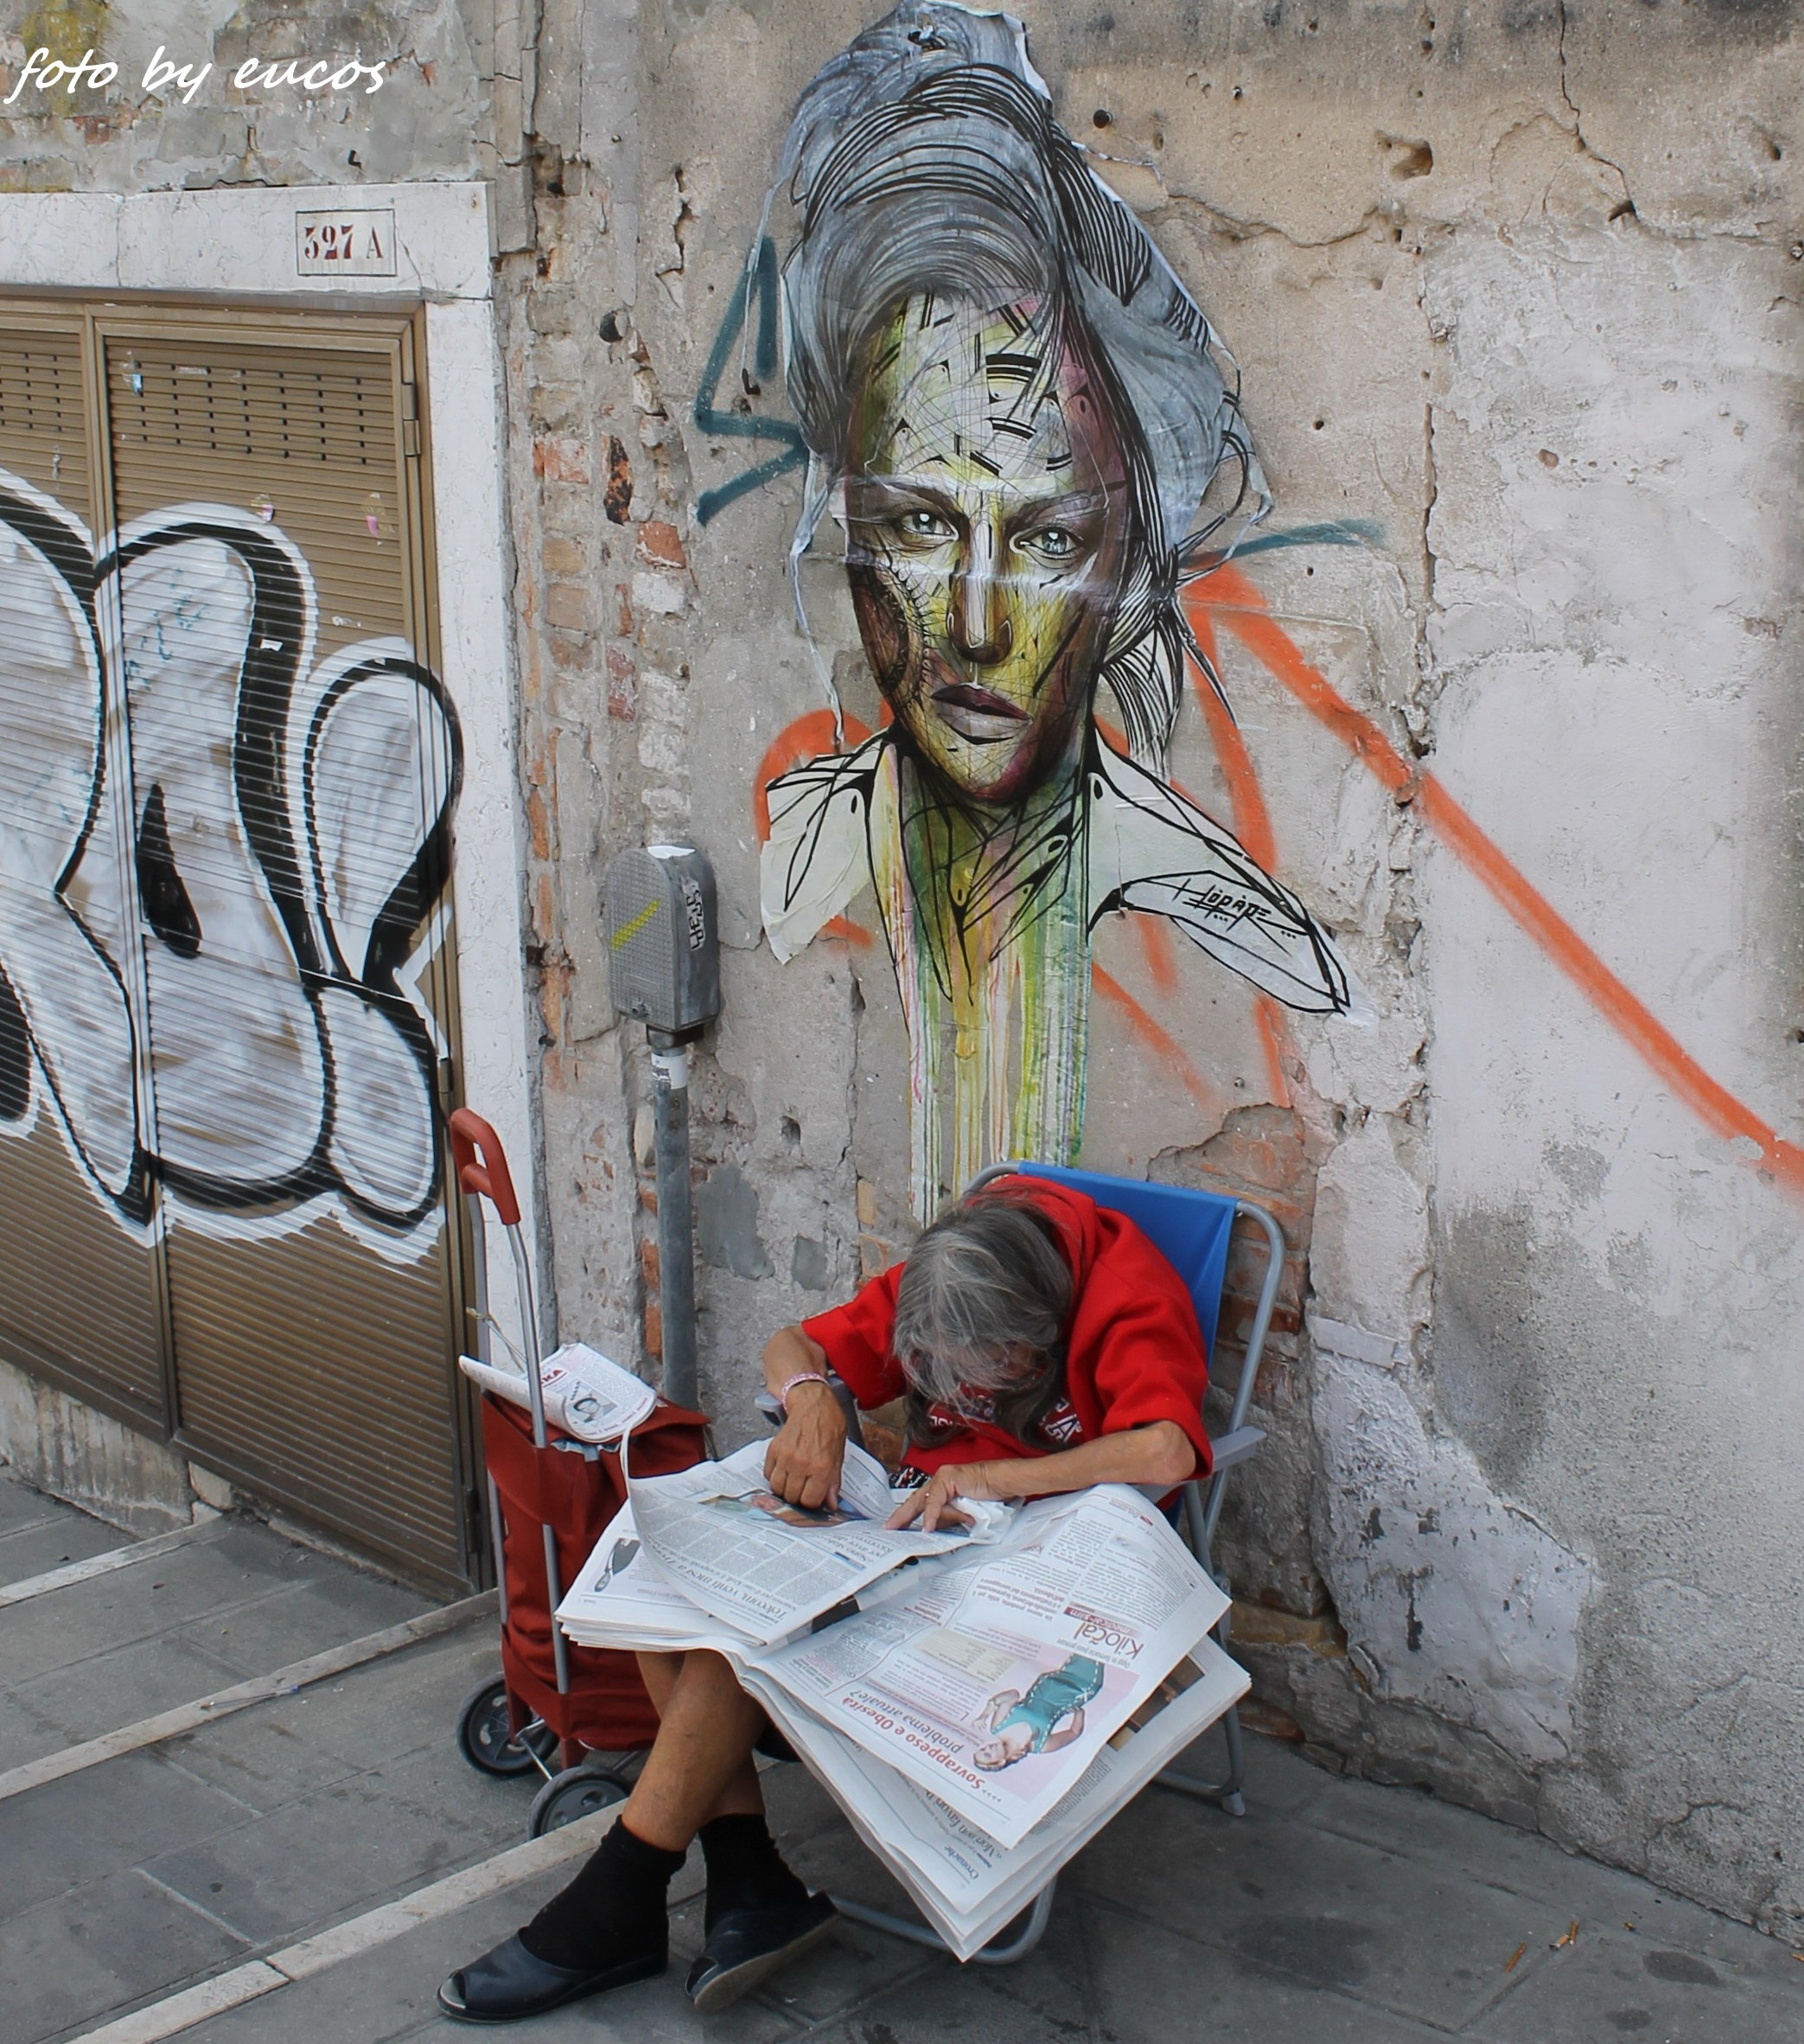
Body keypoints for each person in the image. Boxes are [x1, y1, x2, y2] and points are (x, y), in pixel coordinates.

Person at [760, 0, 1359, 1221]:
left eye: (1042, 540)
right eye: (920, 524)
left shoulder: (1238, 919)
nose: (974, 625)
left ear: (1129, 566)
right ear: (841, 521)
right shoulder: (796, 861)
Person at [436, 1172, 1209, 2023]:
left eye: (986, 1377)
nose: (956, 1398)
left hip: (1046, 1554)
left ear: (1041, 1332)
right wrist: (812, 1403)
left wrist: (991, 1473)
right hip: (924, 1527)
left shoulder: (1124, 1294)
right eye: (939, 1380)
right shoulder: (953, 1269)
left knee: (737, 1657)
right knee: (672, 1602)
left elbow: (1166, 1450)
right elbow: (789, 1344)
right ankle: (743, 1881)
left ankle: (633, 1895)